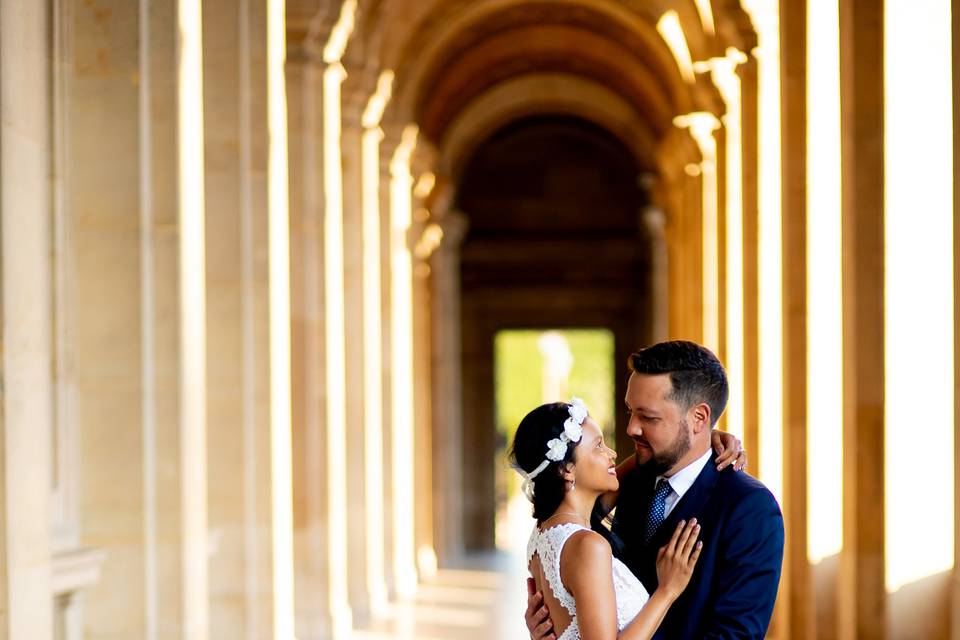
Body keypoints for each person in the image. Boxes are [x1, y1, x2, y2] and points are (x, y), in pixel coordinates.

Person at [525, 341, 784, 639]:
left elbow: (736, 635)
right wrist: (559, 622)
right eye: (630, 412)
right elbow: (566, 534)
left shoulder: (749, 508)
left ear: (699, 418)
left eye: (648, 417)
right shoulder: (629, 480)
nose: (631, 428)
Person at [511, 396, 744, 639]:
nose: (611, 453)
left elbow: (645, 460)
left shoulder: (542, 535)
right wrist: (666, 591)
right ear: (566, 469)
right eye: (598, 446)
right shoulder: (588, 546)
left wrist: (705, 437)